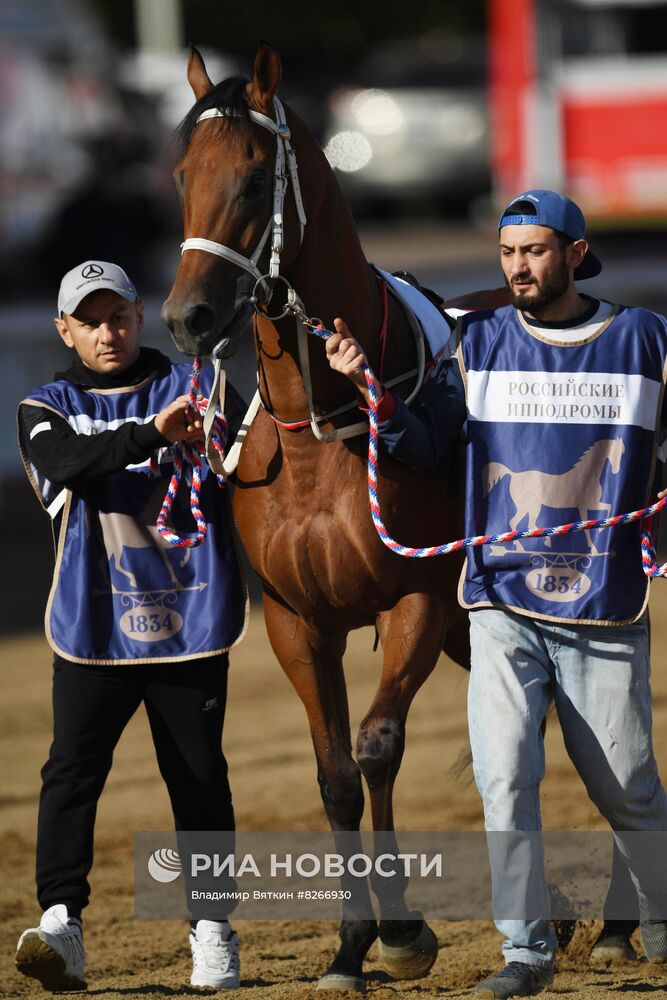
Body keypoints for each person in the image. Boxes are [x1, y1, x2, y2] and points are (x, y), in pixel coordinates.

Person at [325, 190, 667, 998]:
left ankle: (656, 918)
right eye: (508, 252)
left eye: (535, 251)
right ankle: (526, 954)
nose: (517, 266)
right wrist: (372, 390)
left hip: (602, 605)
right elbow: (424, 439)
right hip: (498, 601)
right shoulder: (476, 343)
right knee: (503, 779)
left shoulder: (643, 339)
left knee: (628, 792)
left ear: (575, 254)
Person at [15, 261, 248, 992]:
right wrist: (153, 432)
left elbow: (262, 460)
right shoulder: (42, 406)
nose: (107, 332)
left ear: (140, 317)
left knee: (198, 775)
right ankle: (62, 923)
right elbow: (72, 462)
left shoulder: (201, 383)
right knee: (71, 773)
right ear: (66, 331)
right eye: (90, 320)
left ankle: (212, 930)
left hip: (191, 615)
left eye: (117, 316)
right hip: (93, 624)